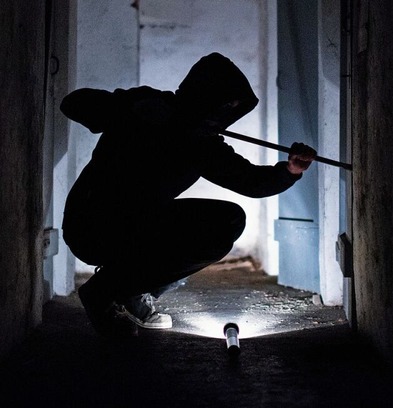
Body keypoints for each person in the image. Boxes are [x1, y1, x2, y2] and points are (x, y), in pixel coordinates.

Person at [61, 52, 316, 337]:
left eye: (233, 108)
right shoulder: (148, 106)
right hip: (91, 222)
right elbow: (73, 104)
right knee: (183, 226)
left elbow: (252, 182)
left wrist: (290, 170)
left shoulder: (202, 144)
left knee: (227, 221)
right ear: (205, 96)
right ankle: (105, 291)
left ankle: (129, 289)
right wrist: (130, 108)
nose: (226, 114)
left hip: (140, 226)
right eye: (225, 104)